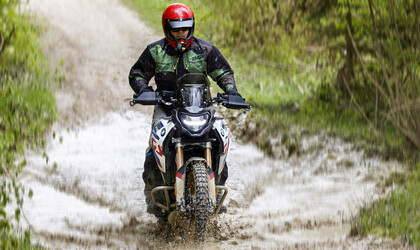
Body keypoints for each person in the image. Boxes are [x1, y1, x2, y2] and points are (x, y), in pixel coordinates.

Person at [128, 3, 244, 215]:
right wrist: (145, 91)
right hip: (167, 108)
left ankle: (216, 193)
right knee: (154, 148)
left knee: (220, 141)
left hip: (200, 107)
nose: (181, 33)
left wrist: (231, 91)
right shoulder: (155, 51)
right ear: (167, 28)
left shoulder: (205, 50)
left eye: (185, 28)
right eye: (176, 29)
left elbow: (223, 72)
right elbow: (137, 74)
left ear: (191, 27)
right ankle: (154, 198)